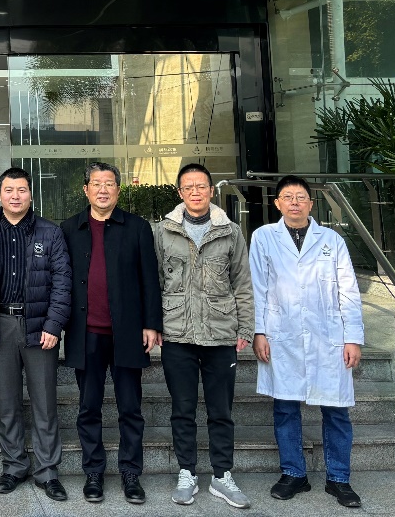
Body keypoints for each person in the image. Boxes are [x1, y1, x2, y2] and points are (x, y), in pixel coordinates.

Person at [251, 175, 365, 509]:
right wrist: (258, 332)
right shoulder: (263, 237)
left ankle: (339, 478)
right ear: (277, 203)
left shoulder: (332, 240)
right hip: (281, 333)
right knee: (285, 407)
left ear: (311, 204)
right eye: (288, 197)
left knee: (336, 409)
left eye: (301, 197)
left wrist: (352, 338)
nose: (295, 202)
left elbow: (349, 291)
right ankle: (293, 474)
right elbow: (256, 287)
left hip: (328, 336)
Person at [153, 163, 255, 510]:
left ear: (211, 191)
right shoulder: (163, 231)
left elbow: (242, 284)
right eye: (188, 187)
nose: (195, 192)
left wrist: (245, 328)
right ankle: (187, 472)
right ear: (179, 192)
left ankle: (222, 475)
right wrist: (154, 324)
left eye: (201, 186)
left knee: (221, 410)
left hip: (220, 333)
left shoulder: (231, 232)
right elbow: (155, 282)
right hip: (177, 333)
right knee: (182, 409)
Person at [62, 161, 162, 505]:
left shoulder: (137, 227)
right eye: (96, 183)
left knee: (130, 407)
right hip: (85, 333)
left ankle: (131, 473)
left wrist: (151, 324)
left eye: (109, 184)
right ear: (85, 190)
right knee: (88, 407)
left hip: (128, 333)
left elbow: (150, 279)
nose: (102, 189)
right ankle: (94, 472)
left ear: (118, 190)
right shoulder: (70, 228)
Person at [0, 167, 71, 502]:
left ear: (31, 194)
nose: (15, 196)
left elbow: (62, 282)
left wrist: (53, 325)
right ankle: (14, 466)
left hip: (39, 326)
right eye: (8, 190)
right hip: (0, 325)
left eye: (21, 190)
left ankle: (47, 472)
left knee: (44, 403)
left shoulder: (50, 232)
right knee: (7, 403)